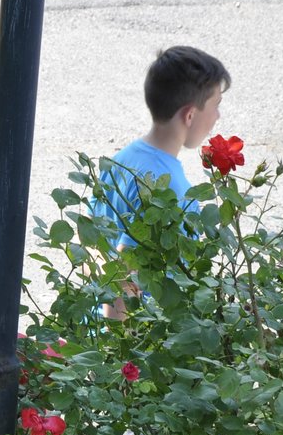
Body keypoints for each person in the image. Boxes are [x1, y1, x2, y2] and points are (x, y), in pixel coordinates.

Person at [91, 46, 232, 318]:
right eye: (216, 106)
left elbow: (88, 242)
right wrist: (117, 353)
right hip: (135, 339)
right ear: (190, 115)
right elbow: (126, 278)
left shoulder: (121, 159)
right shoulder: (168, 189)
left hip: (92, 328)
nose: (217, 117)